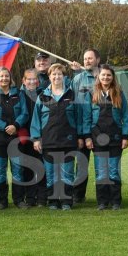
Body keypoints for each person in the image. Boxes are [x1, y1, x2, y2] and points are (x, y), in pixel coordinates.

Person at [31, 64, 83, 210]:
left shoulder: (72, 95)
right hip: (49, 141)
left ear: (64, 77)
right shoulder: (42, 96)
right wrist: (36, 138)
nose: (57, 77)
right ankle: (53, 201)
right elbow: (36, 119)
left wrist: (80, 137)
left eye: (59, 74)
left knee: (67, 173)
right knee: (52, 174)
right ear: (49, 77)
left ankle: (66, 201)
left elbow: (79, 117)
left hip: (68, 141)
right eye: (54, 74)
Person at [84, 65, 128, 210]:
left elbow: (126, 116)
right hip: (97, 138)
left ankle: (115, 201)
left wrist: (125, 136)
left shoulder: (119, 93)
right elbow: (87, 117)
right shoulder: (92, 93)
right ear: (98, 77)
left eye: (108, 75)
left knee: (114, 171)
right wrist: (87, 137)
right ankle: (102, 201)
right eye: (103, 75)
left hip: (115, 138)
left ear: (112, 77)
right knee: (102, 172)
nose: (106, 78)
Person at [0, 67, 29, 210]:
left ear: (10, 78)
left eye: (6, 76)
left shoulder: (19, 94)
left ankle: (18, 199)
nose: (4, 79)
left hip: (15, 137)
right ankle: (2, 200)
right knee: (0, 170)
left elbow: (25, 113)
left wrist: (15, 125)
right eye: (1, 76)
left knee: (17, 169)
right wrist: (6, 126)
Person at [70, 48, 101, 204]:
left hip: (100, 129)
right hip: (82, 129)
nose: (87, 61)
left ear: (98, 60)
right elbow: (73, 106)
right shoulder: (77, 79)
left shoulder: (105, 77)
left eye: (90, 58)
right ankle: (78, 195)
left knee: (102, 164)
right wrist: (78, 133)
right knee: (81, 164)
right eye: (85, 58)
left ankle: (103, 196)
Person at [20, 68, 47, 207]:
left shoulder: (43, 94)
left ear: (38, 81)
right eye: (28, 79)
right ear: (24, 81)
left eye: (34, 79)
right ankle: (30, 198)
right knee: (28, 168)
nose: (31, 81)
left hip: (40, 136)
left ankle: (42, 198)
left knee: (42, 167)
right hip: (24, 138)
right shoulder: (19, 95)